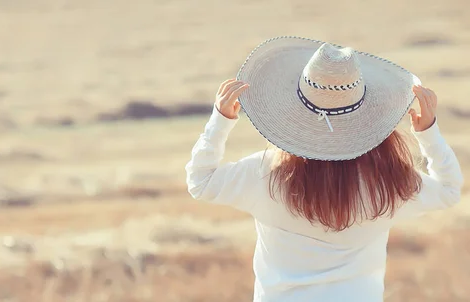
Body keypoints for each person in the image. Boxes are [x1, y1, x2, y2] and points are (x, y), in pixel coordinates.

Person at [185, 36, 464, 302]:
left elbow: (200, 182)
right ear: (369, 119)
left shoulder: (267, 174)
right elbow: (449, 190)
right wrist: (428, 133)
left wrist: (220, 122)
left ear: (293, 115)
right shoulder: (385, 183)